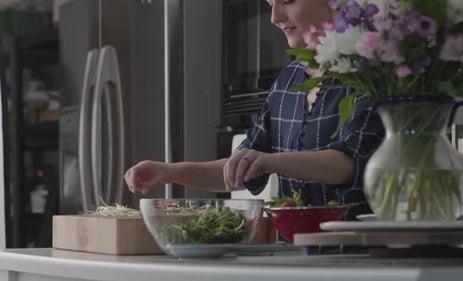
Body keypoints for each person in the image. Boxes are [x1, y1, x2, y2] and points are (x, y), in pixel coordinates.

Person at [124, 0, 385, 220]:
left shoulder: (371, 73)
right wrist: (170, 172)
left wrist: (270, 162)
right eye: (270, 3)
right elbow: (240, 166)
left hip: (357, 253)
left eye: (287, 0)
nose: (274, 17)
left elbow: (347, 164)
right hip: (296, 254)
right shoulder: (288, 81)